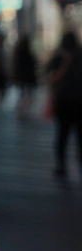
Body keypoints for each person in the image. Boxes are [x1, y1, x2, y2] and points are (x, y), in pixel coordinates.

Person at [46, 32, 82, 178]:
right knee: (65, 136)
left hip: (70, 103)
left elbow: (51, 79)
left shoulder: (66, 57)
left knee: (63, 136)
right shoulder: (61, 58)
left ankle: (62, 166)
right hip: (69, 103)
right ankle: (62, 166)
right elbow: (52, 77)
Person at [13, 37, 39, 121]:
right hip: (28, 78)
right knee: (27, 95)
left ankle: (22, 112)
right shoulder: (27, 53)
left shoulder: (18, 53)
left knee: (23, 95)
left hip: (21, 78)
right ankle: (23, 112)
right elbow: (33, 63)